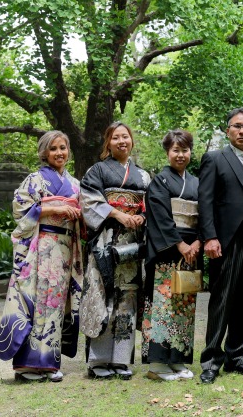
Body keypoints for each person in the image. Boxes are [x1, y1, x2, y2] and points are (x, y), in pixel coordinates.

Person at [0, 131, 83, 382]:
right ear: (44, 153)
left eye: (63, 147)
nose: (59, 153)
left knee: (55, 306)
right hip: (41, 246)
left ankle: (49, 364)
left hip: (65, 249)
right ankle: (26, 365)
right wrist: (54, 208)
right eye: (53, 148)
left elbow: (83, 214)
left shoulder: (75, 184)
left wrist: (78, 216)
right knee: (35, 303)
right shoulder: (34, 179)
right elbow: (20, 208)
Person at [79, 122, 151, 380]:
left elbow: (149, 204)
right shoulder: (97, 171)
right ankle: (98, 362)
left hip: (132, 242)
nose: (122, 141)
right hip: (106, 241)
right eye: (116, 137)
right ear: (108, 143)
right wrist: (119, 214)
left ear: (132, 141)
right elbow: (88, 201)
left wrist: (142, 216)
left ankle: (121, 360)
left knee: (128, 299)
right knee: (103, 296)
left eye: (126, 137)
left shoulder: (143, 175)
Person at [198, 107, 243, 384]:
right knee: (222, 300)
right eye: (236, 126)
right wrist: (210, 237)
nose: (241, 131)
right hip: (225, 241)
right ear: (228, 131)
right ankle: (211, 360)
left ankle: (236, 356)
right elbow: (206, 201)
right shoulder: (215, 159)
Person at [141, 130, 201, 381]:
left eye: (185, 150)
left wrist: (199, 241)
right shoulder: (160, 182)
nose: (181, 155)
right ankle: (157, 364)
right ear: (167, 152)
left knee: (183, 305)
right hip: (168, 250)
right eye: (176, 150)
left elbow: (206, 214)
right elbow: (160, 216)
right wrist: (179, 244)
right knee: (164, 305)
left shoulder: (197, 182)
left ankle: (177, 360)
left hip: (192, 249)